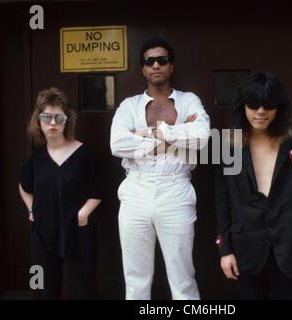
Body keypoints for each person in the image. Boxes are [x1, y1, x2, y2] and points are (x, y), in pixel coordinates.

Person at [110, 37, 210, 300]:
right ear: (143, 68)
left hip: (176, 188)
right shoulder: (128, 106)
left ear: (171, 66)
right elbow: (117, 144)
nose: (156, 65)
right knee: (135, 278)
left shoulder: (189, 101)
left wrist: (149, 133)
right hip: (136, 188)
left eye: (162, 60)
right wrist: (176, 135)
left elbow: (201, 137)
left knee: (182, 277)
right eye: (149, 61)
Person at [215, 72, 292, 299]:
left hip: (291, 246)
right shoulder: (227, 143)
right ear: (243, 106)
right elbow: (222, 199)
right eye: (253, 104)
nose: (260, 112)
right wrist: (224, 249)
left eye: (269, 105)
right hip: (245, 248)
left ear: (280, 107)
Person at [19, 87, 102, 299]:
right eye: (46, 117)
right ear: (38, 121)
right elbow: (23, 186)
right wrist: (31, 209)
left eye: (59, 117)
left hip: (78, 231)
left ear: (67, 120)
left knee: (86, 289)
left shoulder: (83, 154)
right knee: (41, 286)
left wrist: (82, 216)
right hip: (42, 232)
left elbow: (97, 191)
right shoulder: (36, 158)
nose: (53, 123)